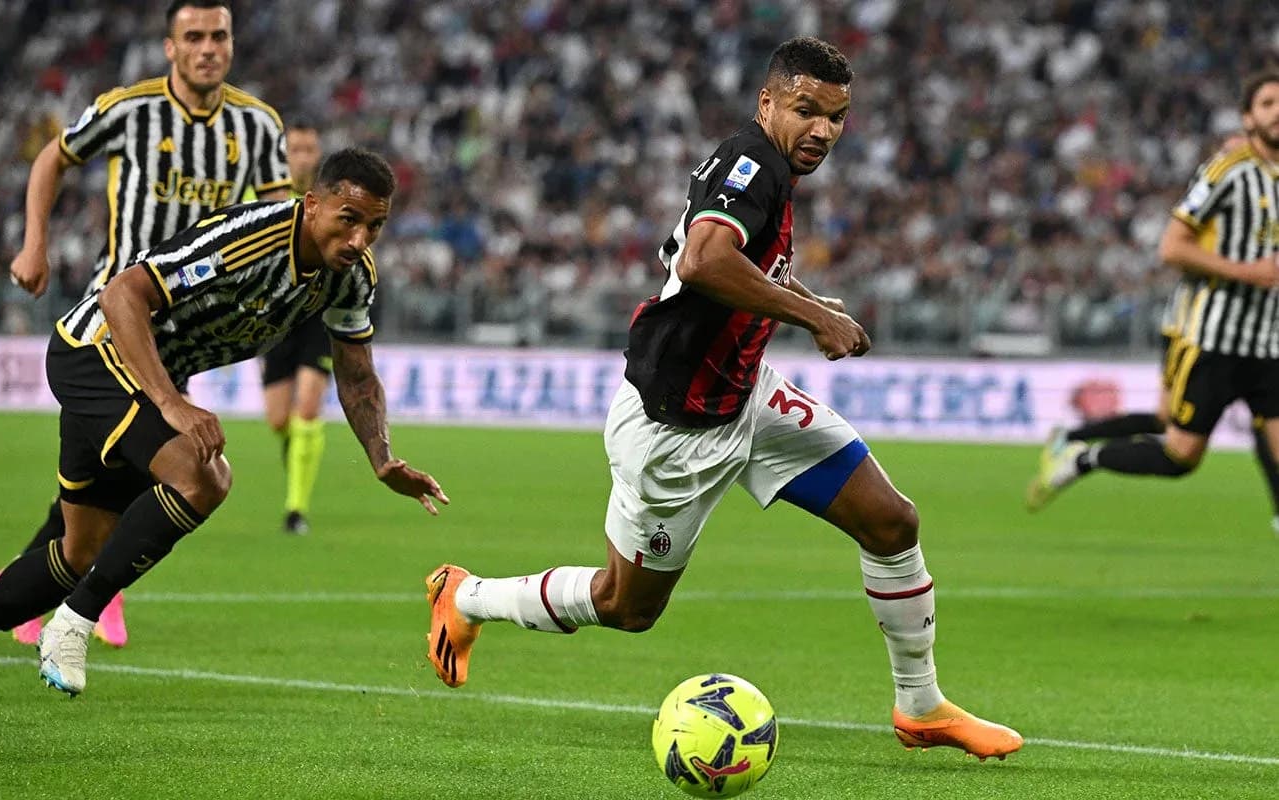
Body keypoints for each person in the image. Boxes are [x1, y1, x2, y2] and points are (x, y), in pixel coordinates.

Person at [422, 37, 1022, 761]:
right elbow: (706, 260)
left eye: (837, 117)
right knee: (626, 606)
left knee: (892, 523)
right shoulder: (753, 163)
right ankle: (467, 596)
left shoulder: (765, 170)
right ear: (767, 102)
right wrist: (816, 318)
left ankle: (921, 707)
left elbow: (728, 257)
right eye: (807, 110)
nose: (823, 131)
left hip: (745, 398)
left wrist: (804, 296)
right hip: (675, 426)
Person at [0, 148, 447, 704]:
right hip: (95, 352)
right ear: (312, 204)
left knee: (81, 550)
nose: (359, 240)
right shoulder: (252, 236)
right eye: (347, 220)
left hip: (134, 376)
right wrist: (171, 401)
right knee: (205, 475)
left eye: (374, 226)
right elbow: (122, 294)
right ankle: (74, 623)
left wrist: (381, 458)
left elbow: (356, 372)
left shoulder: (351, 279)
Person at [5, 0, 292, 648]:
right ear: (170, 48)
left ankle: (36, 585)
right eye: (193, 36)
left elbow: (282, 224)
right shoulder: (128, 109)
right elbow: (53, 156)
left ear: (232, 43)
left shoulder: (259, 125)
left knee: (104, 479)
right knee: (144, 471)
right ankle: (86, 595)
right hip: (116, 326)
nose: (208, 48)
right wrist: (34, 243)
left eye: (218, 35)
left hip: (186, 338)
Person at [1028, 70, 1279, 513]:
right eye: (1268, 104)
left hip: (1271, 344)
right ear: (1247, 117)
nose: (1278, 114)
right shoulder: (1229, 172)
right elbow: (1171, 246)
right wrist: (1246, 272)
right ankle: (1083, 454)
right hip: (1214, 338)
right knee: (1180, 451)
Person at [254, 121, 335, 534]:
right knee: (278, 419)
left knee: (308, 406)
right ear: (283, 154)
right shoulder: (262, 197)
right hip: (273, 317)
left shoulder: (331, 198)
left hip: (318, 314)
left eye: (309, 148)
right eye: (296, 149)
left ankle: (296, 510)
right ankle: (297, 459)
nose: (303, 156)